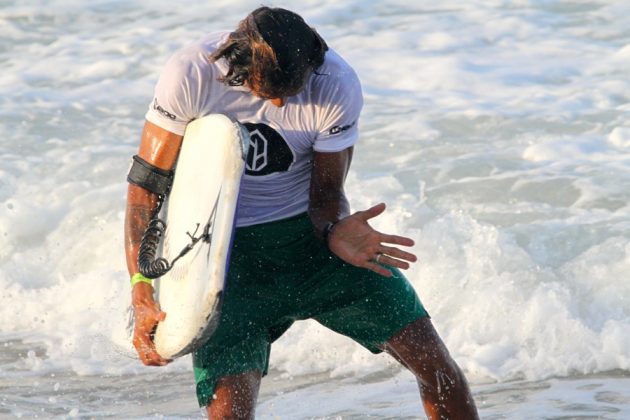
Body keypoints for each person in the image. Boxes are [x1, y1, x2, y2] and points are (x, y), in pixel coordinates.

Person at [124, 6, 479, 419]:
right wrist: (141, 289)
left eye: (291, 91)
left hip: (311, 245)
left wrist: (335, 231)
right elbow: (143, 190)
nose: (278, 101)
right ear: (239, 63)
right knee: (228, 414)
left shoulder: (336, 83)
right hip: (224, 259)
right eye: (268, 89)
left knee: (438, 369)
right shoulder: (191, 73)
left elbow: (326, 194)